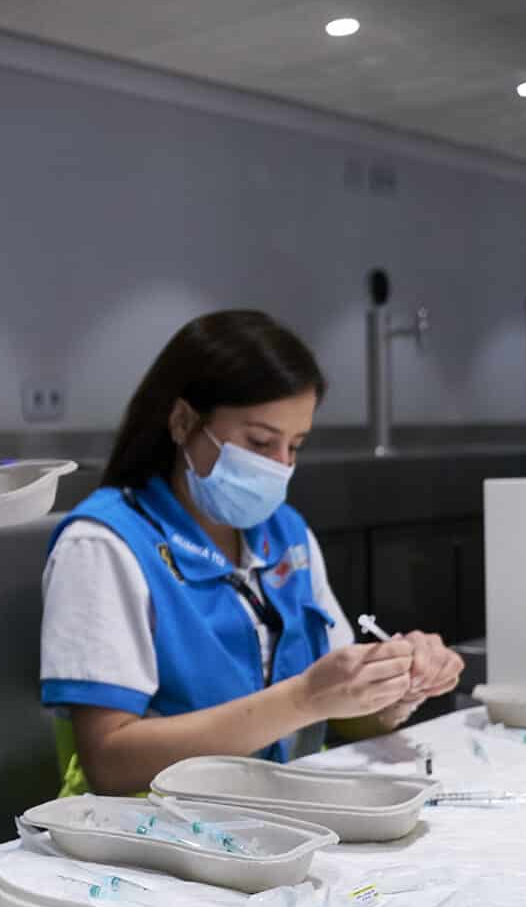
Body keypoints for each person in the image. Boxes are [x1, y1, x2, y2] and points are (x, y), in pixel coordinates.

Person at [39, 310, 464, 797]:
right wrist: (305, 698)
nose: (280, 468)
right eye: (260, 442)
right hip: (152, 834)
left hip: (278, 815)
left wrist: (389, 691)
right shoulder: (105, 546)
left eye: (295, 445)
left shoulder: (286, 535)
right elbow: (110, 763)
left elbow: (343, 717)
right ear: (182, 421)